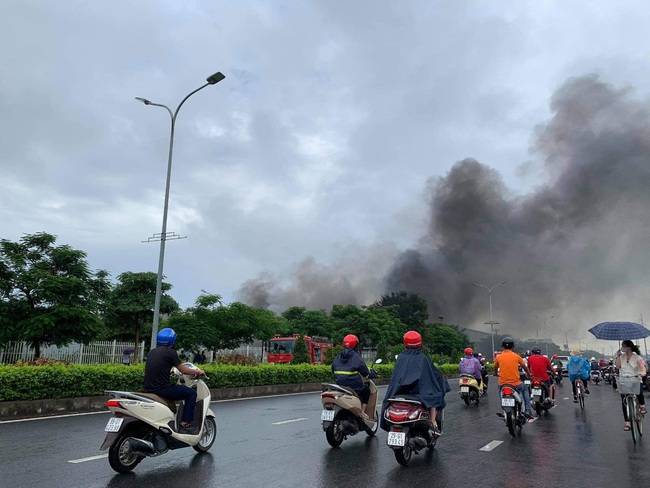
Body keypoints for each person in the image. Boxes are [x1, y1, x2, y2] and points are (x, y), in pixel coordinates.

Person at [380, 331, 451, 435]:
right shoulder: (422, 359)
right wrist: (442, 383)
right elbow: (433, 376)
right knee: (435, 395)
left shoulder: (401, 357)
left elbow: (396, 377)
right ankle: (432, 423)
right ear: (420, 344)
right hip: (418, 393)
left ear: (405, 343)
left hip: (399, 392)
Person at [144, 328, 205, 434]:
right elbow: (183, 370)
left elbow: (157, 367)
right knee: (190, 393)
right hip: (162, 389)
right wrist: (198, 371)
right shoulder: (170, 353)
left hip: (148, 389)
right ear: (172, 341)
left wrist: (170, 372)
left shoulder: (152, 352)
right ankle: (185, 423)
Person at [331, 334, 375, 418]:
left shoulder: (338, 356)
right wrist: (372, 373)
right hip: (353, 386)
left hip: (340, 385)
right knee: (366, 391)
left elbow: (333, 368)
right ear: (355, 345)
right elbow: (365, 373)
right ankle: (362, 412)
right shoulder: (356, 357)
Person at [493, 337, 534, 418]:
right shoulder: (517, 356)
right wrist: (529, 375)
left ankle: (503, 409)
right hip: (516, 384)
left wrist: (496, 373)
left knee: (500, 391)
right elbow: (525, 368)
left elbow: (495, 368)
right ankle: (528, 410)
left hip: (503, 384)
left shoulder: (498, 357)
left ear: (502, 347)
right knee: (525, 388)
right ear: (513, 347)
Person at [615, 340, 647, 431]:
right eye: (622, 346)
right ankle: (627, 423)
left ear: (629, 347)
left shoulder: (637, 357)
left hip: (635, 378)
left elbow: (642, 365)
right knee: (624, 400)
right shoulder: (621, 357)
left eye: (624, 346)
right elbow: (618, 366)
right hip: (624, 379)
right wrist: (618, 356)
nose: (622, 347)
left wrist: (643, 372)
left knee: (639, 391)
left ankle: (641, 405)